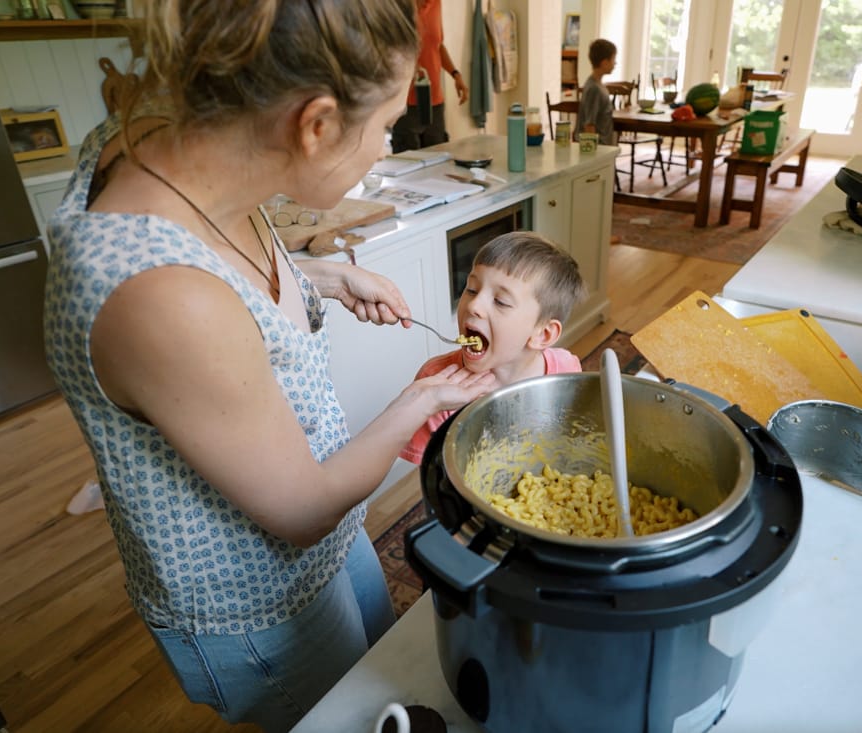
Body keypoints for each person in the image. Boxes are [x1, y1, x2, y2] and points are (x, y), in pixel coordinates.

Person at [42, 2, 496, 731]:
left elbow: (221, 277)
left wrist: (319, 279)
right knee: (347, 715)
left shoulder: (186, 145)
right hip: (257, 602)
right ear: (314, 125)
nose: (386, 147)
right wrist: (426, 394)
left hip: (329, 536)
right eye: (384, 127)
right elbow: (304, 509)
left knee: (386, 680)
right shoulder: (160, 299)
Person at [400, 232, 587, 465]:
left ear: (543, 334)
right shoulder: (436, 384)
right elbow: (434, 473)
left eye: (500, 301)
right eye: (471, 289)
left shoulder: (566, 370)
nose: (474, 305)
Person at [389, 0, 468, 153]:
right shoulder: (398, 7)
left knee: (437, 164)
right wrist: (409, 66)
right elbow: (387, 49)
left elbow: (438, 45)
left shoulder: (436, 4)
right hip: (406, 104)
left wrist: (455, 74)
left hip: (434, 103)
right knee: (409, 168)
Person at [577, 38, 618, 145]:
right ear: (604, 63)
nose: (615, 63)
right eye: (613, 59)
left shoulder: (598, 85)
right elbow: (589, 125)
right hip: (599, 147)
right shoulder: (594, 89)